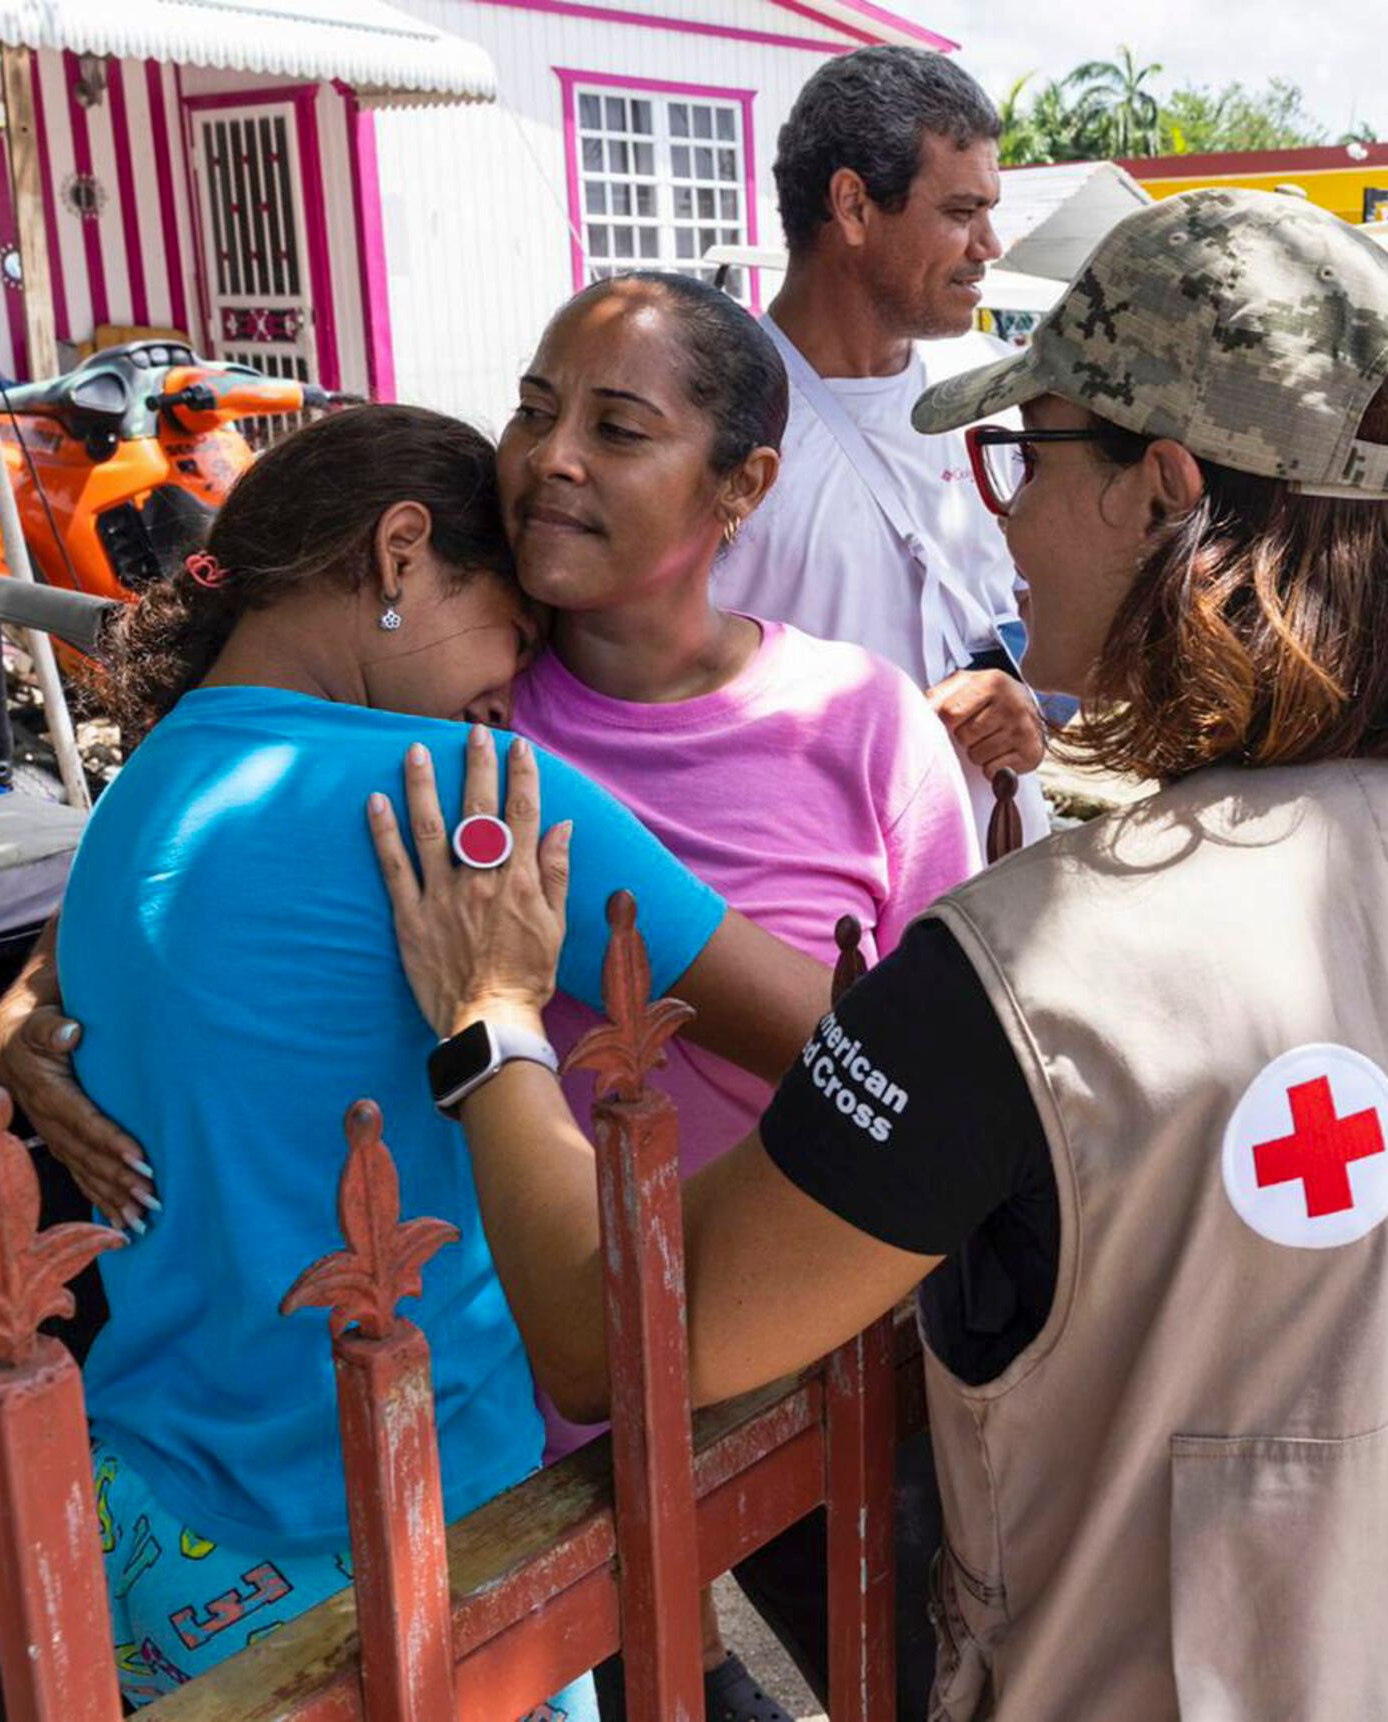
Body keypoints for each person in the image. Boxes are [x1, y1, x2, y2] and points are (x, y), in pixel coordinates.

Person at [375, 189, 1388, 1721]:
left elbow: (619, 1337)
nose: (1005, 515)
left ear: (1158, 487)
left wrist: (490, 1011)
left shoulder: (1030, 973)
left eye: (1027, 458)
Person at [0, 405, 823, 1711]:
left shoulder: (126, 809)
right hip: (416, 1548)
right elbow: (819, 1035)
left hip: (150, 1541)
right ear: (400, 554)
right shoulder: (461, 797)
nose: (521, 682)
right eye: (517, 633)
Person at [502, 267, 977, 1722]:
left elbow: (950, 1049)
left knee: (906, 1680)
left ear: (741, 483)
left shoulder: (859, 719)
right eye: (534, 410)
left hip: (824, 1360)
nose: (552, 457)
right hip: (547, 1399)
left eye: (619, 426)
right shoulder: (451, 718)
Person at [719, 45, 1049, 848]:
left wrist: (1033, 708)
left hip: (999, 889)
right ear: (854, 207)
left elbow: (1048, 621)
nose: (990, 245)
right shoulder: (714, 422)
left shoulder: (991, 395)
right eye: (962, 212)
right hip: (824, 911)